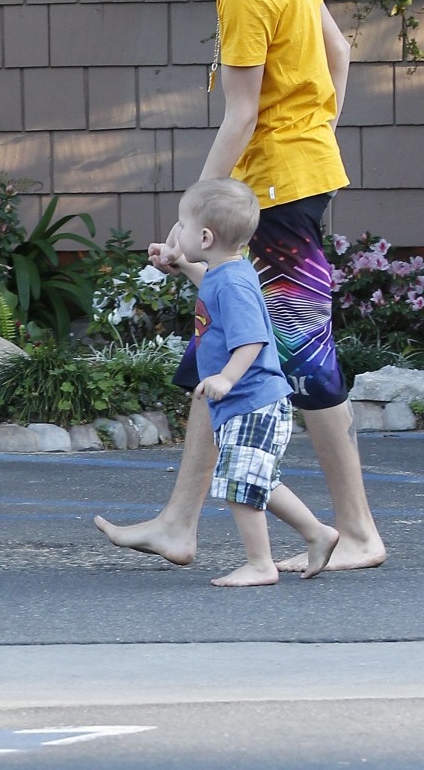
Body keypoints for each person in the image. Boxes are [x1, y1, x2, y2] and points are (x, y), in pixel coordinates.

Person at [95, 0, 385, 573]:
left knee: (305, 358)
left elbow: (242, 114)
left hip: (273, 195)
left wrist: (190, 215)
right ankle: (178, 524)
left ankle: (355, 533)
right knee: (219, 345)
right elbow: (340, 51)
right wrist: (315, 133)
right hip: (291, 178)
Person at [163, 178, 339, 586]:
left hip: (252, 399)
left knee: (240, 484)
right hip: (249, 401)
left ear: (205, 236)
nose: (178, 233)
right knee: (260, 480)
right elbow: (209, 287)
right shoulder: (226, 271)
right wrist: (179, 262)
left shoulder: (234, 282)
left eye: (182, 228)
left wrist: (225, 377)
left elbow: (254, 338)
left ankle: (261, 564)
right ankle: (318, 533)